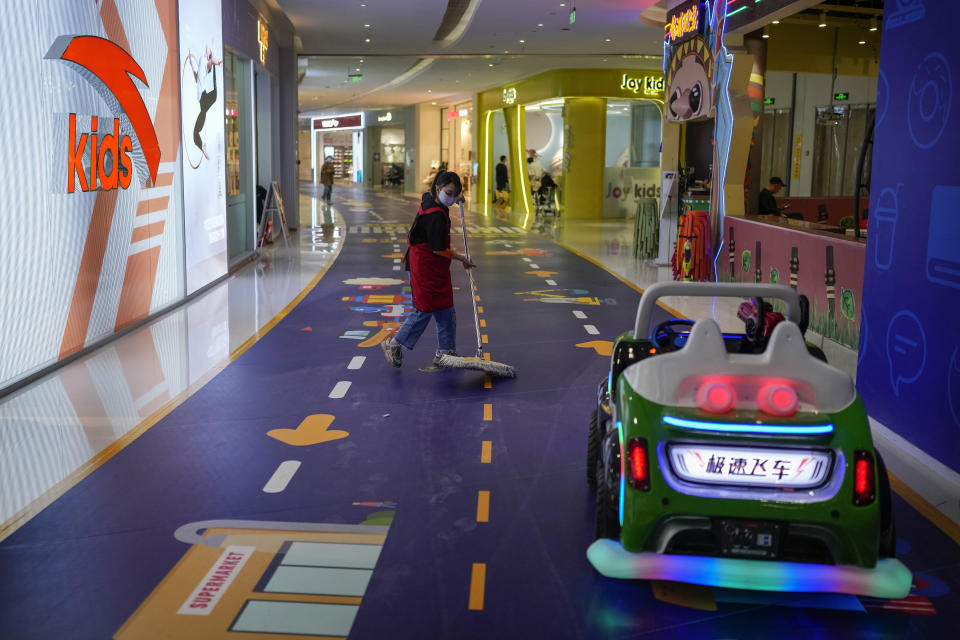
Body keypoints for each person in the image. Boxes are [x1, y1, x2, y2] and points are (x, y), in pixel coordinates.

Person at [381, 171, 476, 368]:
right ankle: (394, 344)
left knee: (446, 309)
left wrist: (457, 197)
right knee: (423, 310)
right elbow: (438, 249)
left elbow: (436, 197)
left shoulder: (430, 199)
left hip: (436, 267)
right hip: (425, 267)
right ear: (438, 189)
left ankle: (446, 351)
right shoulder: (435, 217)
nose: (451, 198)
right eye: (449, 193)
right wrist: (462, 259)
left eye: (455, 193)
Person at [188, 45, 222, 161]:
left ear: (208, 55)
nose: (206, 48)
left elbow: (211, 61)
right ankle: (202, 146)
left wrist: (217, 62)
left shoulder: (206, 63)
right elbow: (196, 78)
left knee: (213, 96)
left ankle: (202, 146)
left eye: (208, 50)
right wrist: (192, 65)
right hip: (203, 100)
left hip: (205, 97)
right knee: (195, 132)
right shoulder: (202, 66)